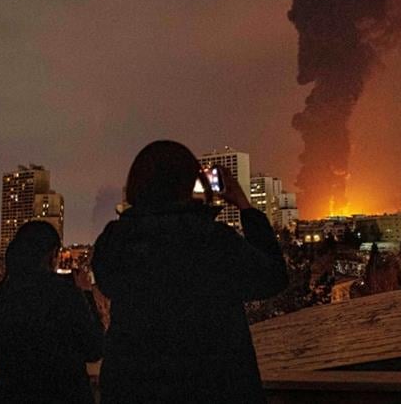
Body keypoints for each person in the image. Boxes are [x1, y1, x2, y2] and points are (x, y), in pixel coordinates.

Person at [92, 140, 288, 404]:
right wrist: (244, 205)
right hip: (214, 386)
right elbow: (273, 278)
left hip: (133, 387)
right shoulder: (214, 241)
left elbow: (107, 282)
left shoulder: (114, 243)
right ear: (190, 183)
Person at [0, 220, 103, 403]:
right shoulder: (64, 294)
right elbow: (94, 348)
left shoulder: (2, 299)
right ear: (51, 255)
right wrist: (87, 294)